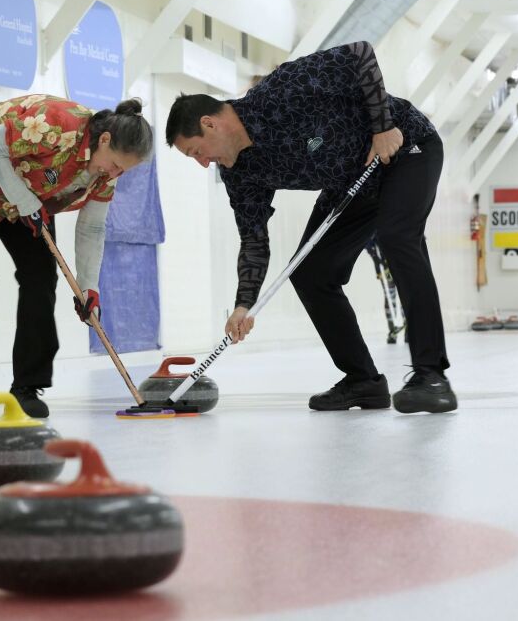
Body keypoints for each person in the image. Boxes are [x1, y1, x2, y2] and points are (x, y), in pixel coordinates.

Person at [165, 41, 456, 414]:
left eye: (196, 152)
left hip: (404, 149)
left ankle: (432, 376)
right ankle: (363, 381)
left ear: (209, 123)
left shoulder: (281, 89)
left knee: (397, 235)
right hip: (351, 184)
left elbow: (360, 54)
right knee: (310, 273)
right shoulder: (239, 171)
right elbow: (253, 239)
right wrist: (243, 304)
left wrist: (383, 127)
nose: (203, 163)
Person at [0, 95, 152, 418]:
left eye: (123, 170)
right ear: (105, 139)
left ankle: (26, 387)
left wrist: (89, 287)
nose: (115, 173)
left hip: (15, 188)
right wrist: (25, 201)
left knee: (41, 273)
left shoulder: (106, 173)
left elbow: (92, 228)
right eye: (116, 164)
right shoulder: (58, 124)